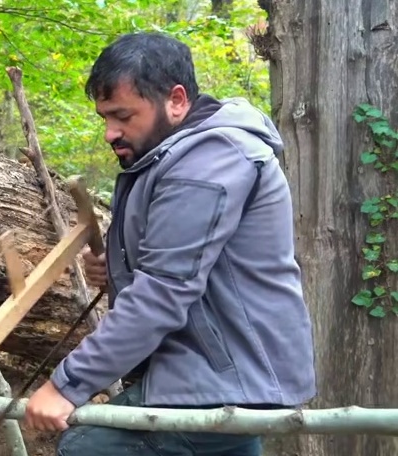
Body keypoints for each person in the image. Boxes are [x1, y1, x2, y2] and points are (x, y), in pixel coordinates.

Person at [23, 31, 317, 455]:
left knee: (87, 446)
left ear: (176, 100)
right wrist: (118, 269)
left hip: (220, 380)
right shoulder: (176, 155)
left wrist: (66, 385)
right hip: (217, 377)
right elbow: (189, 265)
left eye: (123, 116)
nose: (110, 133)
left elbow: (163, 290)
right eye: (105, 118)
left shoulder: (210, 159)